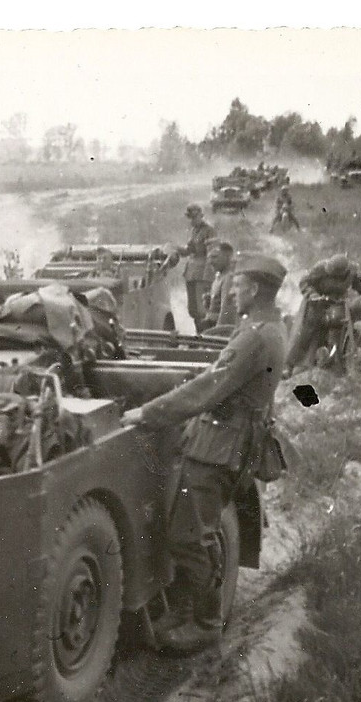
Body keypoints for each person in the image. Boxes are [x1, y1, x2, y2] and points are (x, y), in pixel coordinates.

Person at [121, 253, 288, 653]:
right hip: (227, 441)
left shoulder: (255, 337)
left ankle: (206, 622)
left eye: (238, 285)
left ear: (255, 290)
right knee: (191, 529)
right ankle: (186, 610)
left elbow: (207, 390)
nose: (231, 291)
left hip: (219, 447)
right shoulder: (269, 329)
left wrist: (148, 412)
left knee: (192, 535)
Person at [283, 254, 361, 377]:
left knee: (346, 323)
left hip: (339, 301)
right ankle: (289, 365)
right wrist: (312, 294)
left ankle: (339, 361)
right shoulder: (320, 268)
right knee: (305, 331)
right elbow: (304, 282)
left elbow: (360, 284)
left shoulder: (353, 270)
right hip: (317, 302)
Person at [176, 204, 216, 334]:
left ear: (201, 216)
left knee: (202, 309)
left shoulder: (209, 231)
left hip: (202, 275)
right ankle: (198, 335)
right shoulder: (194, 231)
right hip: (191, 274)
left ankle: (205, 337)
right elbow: (189, 250)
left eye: (194, 217)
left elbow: (212, 255)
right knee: (193, 310)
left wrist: (207, 278)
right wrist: (176, 248)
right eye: (190, 218)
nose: (192, 221)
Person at [201, 241, 238, 333]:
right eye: (209, 258)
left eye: (214, 257)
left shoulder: (228, 278)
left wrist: (216, 333)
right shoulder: (220, 277)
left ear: (228, 257)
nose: (210, 262)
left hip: (220, 330)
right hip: (211, 325)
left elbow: (226, 310)